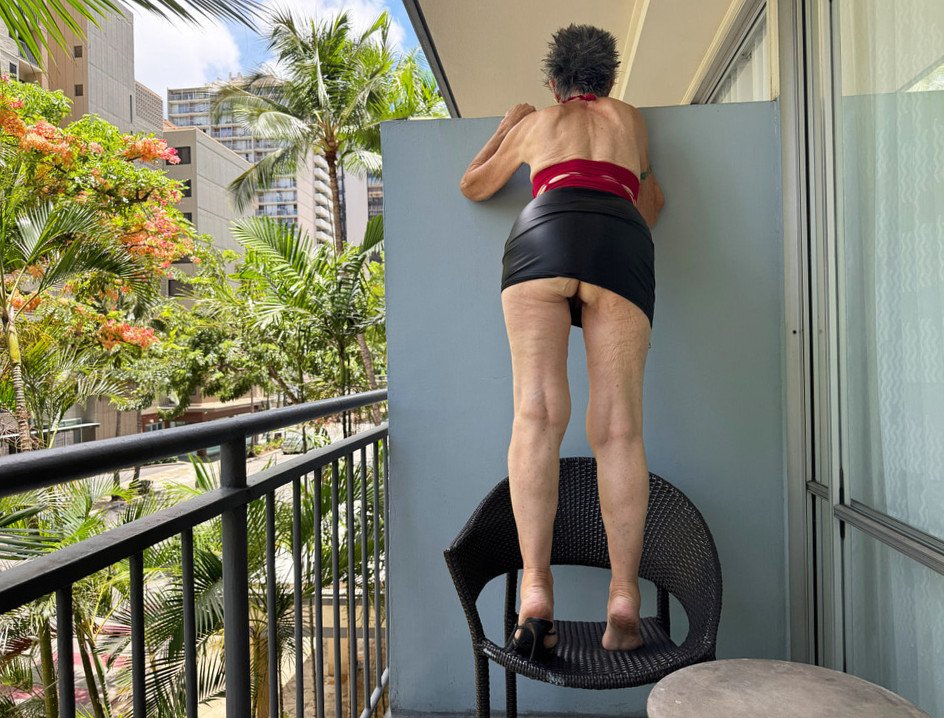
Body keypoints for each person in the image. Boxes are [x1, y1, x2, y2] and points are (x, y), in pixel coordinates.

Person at [458, 23, 666, 660]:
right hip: (620, 240)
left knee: (536, 415)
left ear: (555, 82)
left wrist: (508, 126)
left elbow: (475, 184)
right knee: (620, 428)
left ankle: (536, 589)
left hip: (541, 238)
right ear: (608, 78)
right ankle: (623, 596)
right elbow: (652, 203)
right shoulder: (631, 119)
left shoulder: (537, 121)